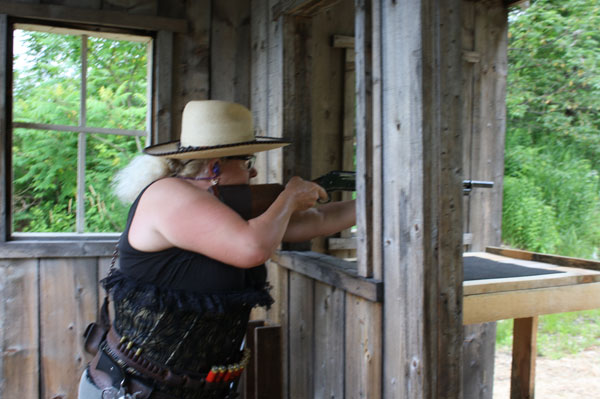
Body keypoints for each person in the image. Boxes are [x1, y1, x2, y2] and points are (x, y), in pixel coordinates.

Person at [78, 100, 356, 399]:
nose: (252, 174)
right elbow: (252, 248)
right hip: (134, 390)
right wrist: (288, 199)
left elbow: (318, 220)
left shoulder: (222, 207)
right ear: (215, 166)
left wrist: (374, 197)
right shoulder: (168, 194)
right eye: (247, 162)